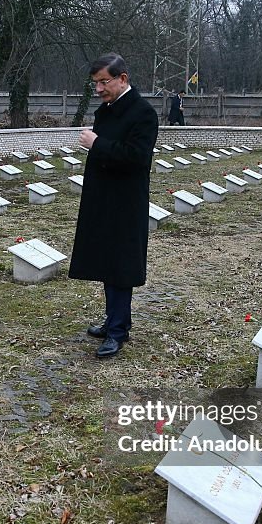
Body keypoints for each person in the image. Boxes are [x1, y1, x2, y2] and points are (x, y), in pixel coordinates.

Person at [68, 53, 159, 358]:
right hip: (103, 198)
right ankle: (114, 321)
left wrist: (96, 144)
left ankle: (118, 332)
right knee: (108, 263)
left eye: (104, 82)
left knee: (120, 266)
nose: (99, 89)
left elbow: (137, 157)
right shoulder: (106, 110)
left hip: (124, 201)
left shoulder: (143, 113)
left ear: (123, 78)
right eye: (95, 83)